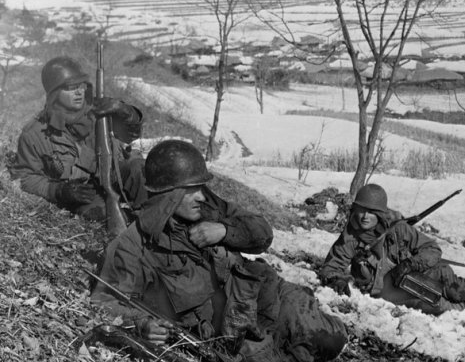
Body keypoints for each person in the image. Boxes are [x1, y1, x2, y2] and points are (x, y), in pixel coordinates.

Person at [91, 139, 347, 362]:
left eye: (201, 187)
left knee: (332, 339)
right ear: (168, 194)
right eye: (191, 190)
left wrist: (225, 231)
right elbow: (104, 301)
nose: (202, 196)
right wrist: (140, 323)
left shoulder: (209, 208)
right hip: (235, 330)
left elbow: (263, 233)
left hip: (268, 296)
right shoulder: (134, 246)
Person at [319, 183, 465, 315]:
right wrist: (337, 280)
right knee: (434, 303)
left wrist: (409, 264)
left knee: (446, 277)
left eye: (372, 212)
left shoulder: (398, 229)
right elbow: (331, 267)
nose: (365, 216)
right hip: (389, 289)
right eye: (362, 210)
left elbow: (432, 250)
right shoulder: (350, 238)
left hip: (412, 273)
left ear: (381, 214)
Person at [10, 56, 146, 228]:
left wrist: (125, 111)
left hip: (115, 173)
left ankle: (153, 222)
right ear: (54, 93)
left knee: (139, 168)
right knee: (101, 215)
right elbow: (25, 177)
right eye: (71, 87)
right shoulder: (34, 133)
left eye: (81, 85)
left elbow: (132, 134)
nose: (79, 92)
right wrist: (58, 190)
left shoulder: (101, 110)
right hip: (84, 192)